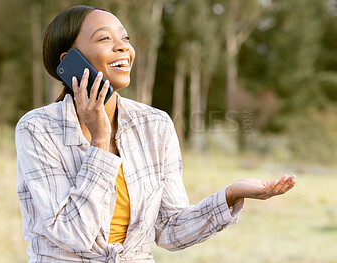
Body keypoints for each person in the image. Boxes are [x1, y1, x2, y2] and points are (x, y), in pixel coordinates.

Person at [15, 5, 297, 263]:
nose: (123, 48)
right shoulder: (38, 129)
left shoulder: (155, 124)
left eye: (125, 39)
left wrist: (230, 195)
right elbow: (71, 235)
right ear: (69, 60)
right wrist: (101, 143)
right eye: (105, 40)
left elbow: (171, 231)